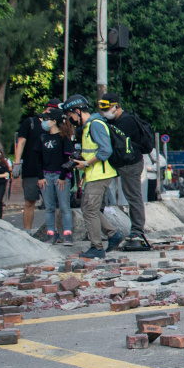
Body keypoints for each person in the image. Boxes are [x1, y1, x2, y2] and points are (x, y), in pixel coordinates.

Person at [64, 95, 124, 258]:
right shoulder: (88, 127)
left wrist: (86, 163)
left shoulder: (95, 125)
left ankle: (97, 248)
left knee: (89, 210)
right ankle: (113, 234)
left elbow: (105, 150)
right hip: (94, 174)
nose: (70, 120)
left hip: (100, 174)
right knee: (88, 208)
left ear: (77, 111)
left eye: (70, 115)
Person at [98, 94, 151, 249]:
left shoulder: (127, 122)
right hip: (115, 163)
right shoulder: (112, 121)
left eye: (108, 109)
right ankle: (101, 228)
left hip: (130, 164)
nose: (106, 113)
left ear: (117, 106)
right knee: (100, 193)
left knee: (133, 196)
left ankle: (137, 231)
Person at [13, 100, 59, 233]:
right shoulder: (30, 122)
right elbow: (21, 142)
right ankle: (27, 232)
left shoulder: (54, 125)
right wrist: (17, 163)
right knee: (29, 202)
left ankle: (54, 231)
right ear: (48, 110)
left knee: (51, 204)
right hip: (31, 168)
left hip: (49, 169)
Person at [38, 110, 75, 243]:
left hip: (61, 176)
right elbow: (38, 158)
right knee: (49, 207)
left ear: (53, 121)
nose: (43, 122)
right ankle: (51, 234)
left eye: (46, 119)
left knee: (64, 207)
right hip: (46, 176)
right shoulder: (42, 138)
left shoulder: (63, 138)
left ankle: (68, 235)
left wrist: (63, 176)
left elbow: (68, 159)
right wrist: (40, 177)